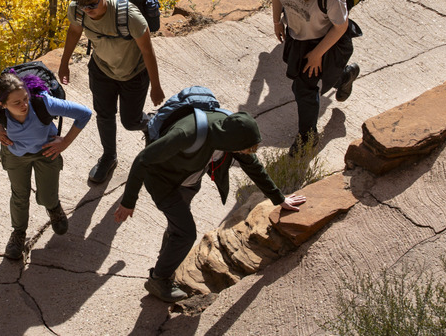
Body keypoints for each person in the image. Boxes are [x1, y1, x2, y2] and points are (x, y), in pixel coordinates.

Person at [113, 110, 306, 302]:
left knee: (178, 228)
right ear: (234, 141)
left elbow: (253, 167)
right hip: (162, 183)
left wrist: (279, 199)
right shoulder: (187, 134)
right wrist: (128, 202)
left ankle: (167, 262)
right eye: (247, 149)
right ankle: (158, 279)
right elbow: (142, 160)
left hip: (188, 182)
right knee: (186, 233)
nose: (249, 153)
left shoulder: (232, 135)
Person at [0, 71, 92, 260]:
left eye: (25, 98)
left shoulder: (43, 104)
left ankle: (53, 208)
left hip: (45, 153)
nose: (24, 105)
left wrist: (65, 143)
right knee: (20, 194)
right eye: (16, 103)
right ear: (2, 104)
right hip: (15, 155)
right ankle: (18, 234)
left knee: (47, 194)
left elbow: (84, 114)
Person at [59, 0, 165, 184]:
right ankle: (109, 157)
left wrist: (155, 86)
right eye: (83, 4)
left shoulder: (129, 15)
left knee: (130, 121)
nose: (88, 9)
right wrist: (64, 62)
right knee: (104, 116)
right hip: (101, 71)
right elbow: (73, 32)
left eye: (92, 4)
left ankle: (151, 123)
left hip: (133, 74)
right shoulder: (77, 10)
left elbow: (148, 51)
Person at [268, 0, 360, 156]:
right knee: (308, 80)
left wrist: (317, 54)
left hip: (326, 41)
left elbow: (341, 27)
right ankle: (345, 76)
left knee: (303, 88)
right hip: (298, 35)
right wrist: (277, 21)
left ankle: (307, 138)